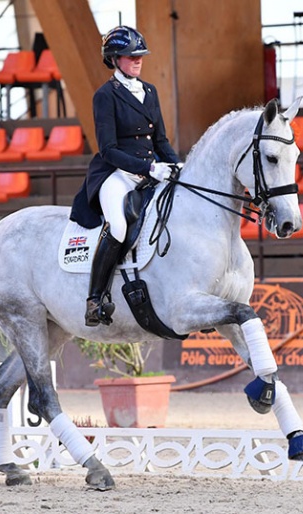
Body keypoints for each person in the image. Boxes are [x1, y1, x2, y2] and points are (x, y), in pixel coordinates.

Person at [70, 25, 182, 327]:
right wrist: (148, 168)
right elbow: (107, 149)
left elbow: (160, 141)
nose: (138, 60)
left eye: (140, 56)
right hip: (115, 174)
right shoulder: (105, 96)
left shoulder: (149, 91)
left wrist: (177, 166)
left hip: (150, 170)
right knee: (118, 226)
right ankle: (94, 300)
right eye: (131, 56)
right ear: (115, 58)